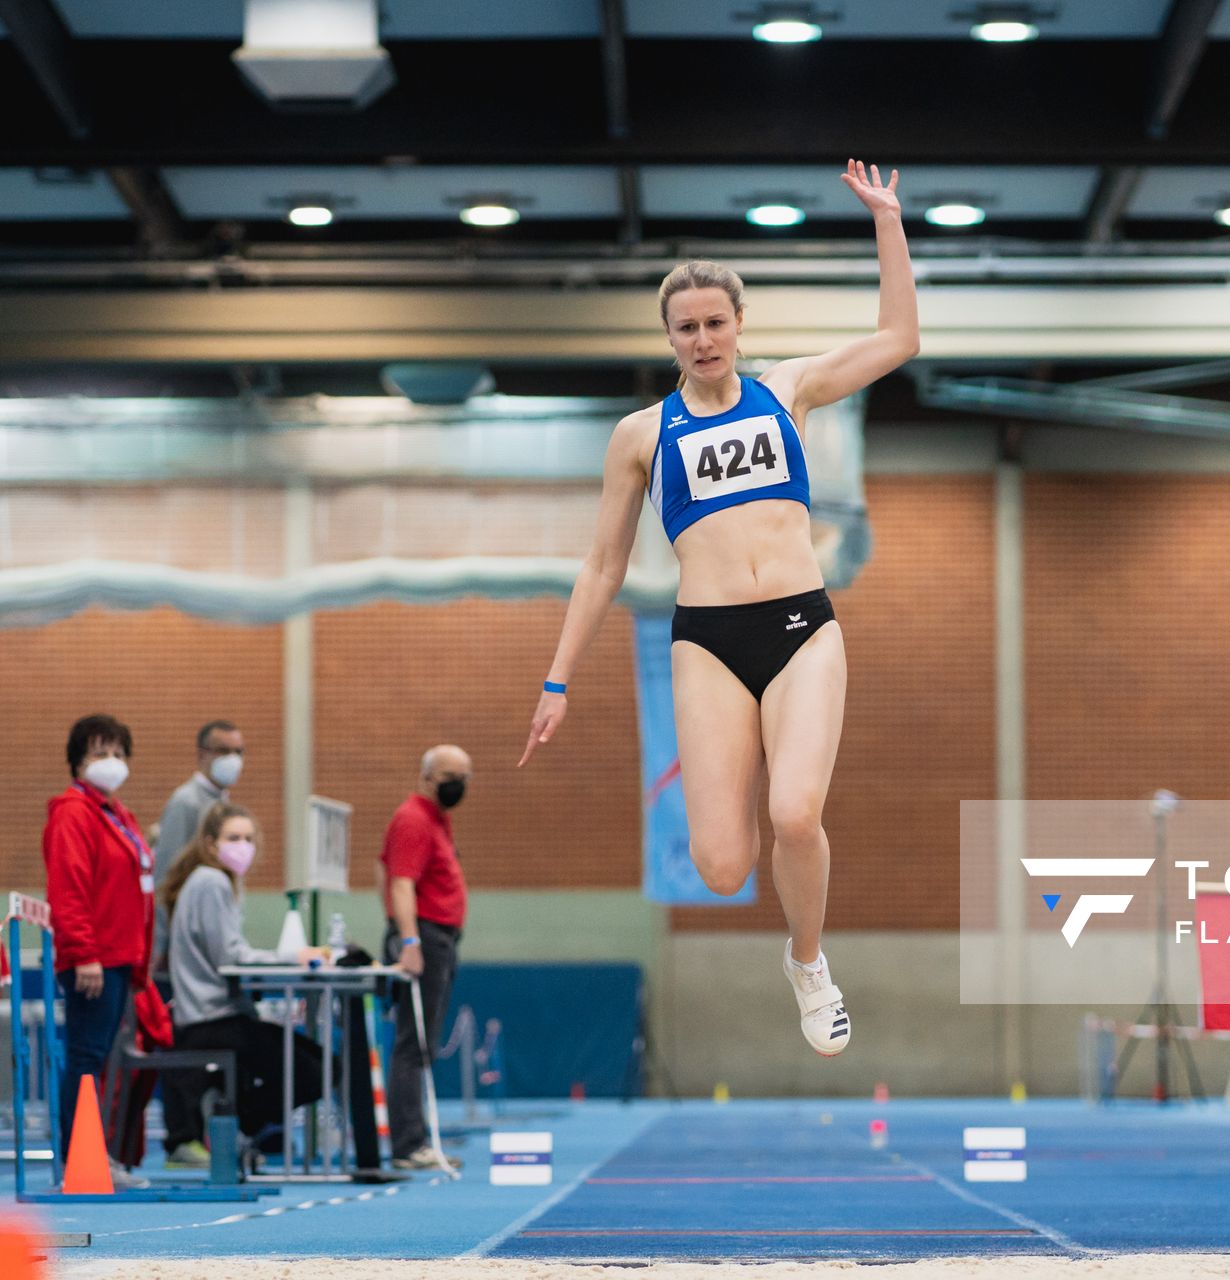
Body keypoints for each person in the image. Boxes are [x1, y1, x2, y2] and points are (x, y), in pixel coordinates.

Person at [519, 160, 919, 1056]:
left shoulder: (789, 390)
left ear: (739, 326)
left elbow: (899, 337)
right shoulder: (642, 436)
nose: (703, 340)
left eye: (715, 323)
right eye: (686, 328)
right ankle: (784, 930)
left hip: (800, 628)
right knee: (722, 864)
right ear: (669, 337)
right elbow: (602, 566)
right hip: (706, 641)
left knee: (794, 814)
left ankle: (809, 964)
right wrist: (557, 680)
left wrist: (886, 220)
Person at [158, 803, 326, 1158]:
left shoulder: (218, 882)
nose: (243, 846)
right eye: (233, 838)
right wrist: (292, 957)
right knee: (315, 1070)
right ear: (210, 843)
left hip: (220, 1015)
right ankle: (229, 1122)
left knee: (315, 1062)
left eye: (249, 838)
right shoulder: (212, 881)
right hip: (211, 1021)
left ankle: (230, 1121)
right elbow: (231, 959)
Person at [41, 714, 154, 1173]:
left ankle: (92, 1152)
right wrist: (84, 952)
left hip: (120, 956)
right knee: (86, 1056)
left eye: (117, 753)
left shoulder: (117, 814)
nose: (111, 762)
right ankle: (78, 1157)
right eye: (99, 753)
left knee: (99, 1057)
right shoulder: (74, 813)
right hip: (94, 960)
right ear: (77, 763)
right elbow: (69, 888)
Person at [152, 718, 246, 1164]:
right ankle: (179, 1137)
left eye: (239, 750)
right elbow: (166, 876)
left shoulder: (220, 803)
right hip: (175, 951)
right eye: (224, 750)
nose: (233, 759)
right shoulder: (186, 803)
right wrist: (165, 946)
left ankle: (199, 1134)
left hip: (195, 949)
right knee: (179, 1041)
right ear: (203, 754)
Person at [381, 744, 472, 1170]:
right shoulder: (413, 819)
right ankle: (408, 1144)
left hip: (441, 938)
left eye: (464, 777)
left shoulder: (438, 820)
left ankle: (414, 1140)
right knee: (412, 1043)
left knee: (422, 1044)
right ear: (427, 777)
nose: (458, 785)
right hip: (424, 939)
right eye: (450, 776)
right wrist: (411, 943)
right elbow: (401, 884)